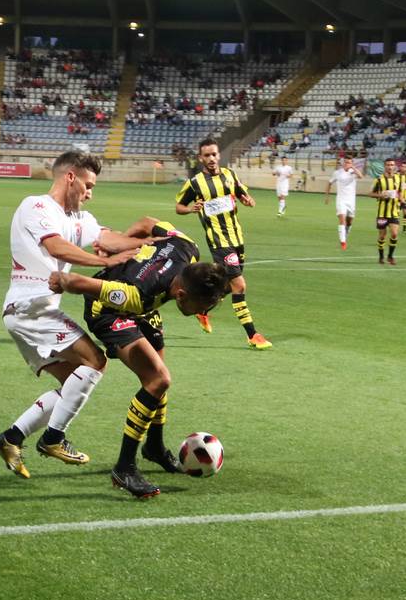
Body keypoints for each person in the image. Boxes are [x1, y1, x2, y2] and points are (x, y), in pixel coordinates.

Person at [0, 149, 149, 479]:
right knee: (95, 361)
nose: (90, 193)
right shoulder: (36, 206)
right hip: (29, 307)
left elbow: (109, 238)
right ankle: (53, 438)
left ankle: (11, 438)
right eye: (88, 185)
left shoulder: (80, 219)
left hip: (32, 312)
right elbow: (56, 246)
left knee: (71, 384)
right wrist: (105, 262)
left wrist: (157, 242)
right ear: (70, 177)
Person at [48, 222, 230, 498]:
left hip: (143, 303)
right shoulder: (134, 295)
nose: (201, 313)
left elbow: (147, 223)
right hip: (109, 312)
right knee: (157, 379)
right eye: (201, 307)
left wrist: (123, 239)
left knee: (159, 366)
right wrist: (60, 280)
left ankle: (154, 447)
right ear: (181, 295)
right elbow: (77, 283)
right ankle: (124, 468)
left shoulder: (186, 246)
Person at [175, 138, 272, 349]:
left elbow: (240, 192)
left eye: (213, 154)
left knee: (227, 286)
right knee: (239, 285)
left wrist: (248, 199)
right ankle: (252, 335)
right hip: (219, 241)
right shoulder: (195, 183)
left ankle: (202, 310)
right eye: (206, 155)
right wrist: (191, 208)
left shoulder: (230, 174)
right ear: (201, 158)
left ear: (218, 155)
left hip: (237, 237)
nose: (211, 158)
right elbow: (179, 207)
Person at [368, 157, 405, 264]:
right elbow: (370, 193)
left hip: (394, 212)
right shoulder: (378, 179)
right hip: (382, 213)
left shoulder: (399, 179)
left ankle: (390, 256)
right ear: (385, 166)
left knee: (394, 234)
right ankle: (381, 256)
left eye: (392, 165)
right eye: (388, 165)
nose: (390, 167)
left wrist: (402, 200)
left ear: (394, 166)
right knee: (382, 235)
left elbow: (400, 192)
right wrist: (380, 195)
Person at [327, 157, 360, 250]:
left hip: (351, 201)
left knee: (349, 222)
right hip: (341, 200)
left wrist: (353, 168)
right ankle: (343, 242)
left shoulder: (353, 172)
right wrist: (327, 197)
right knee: (342, 219)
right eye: (345, 162)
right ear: (343, 163)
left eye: (349, 162)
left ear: (352, 164)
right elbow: (329, 183)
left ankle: (344, 235)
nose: (347, 164)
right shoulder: (337, 173)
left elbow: (361, 176)